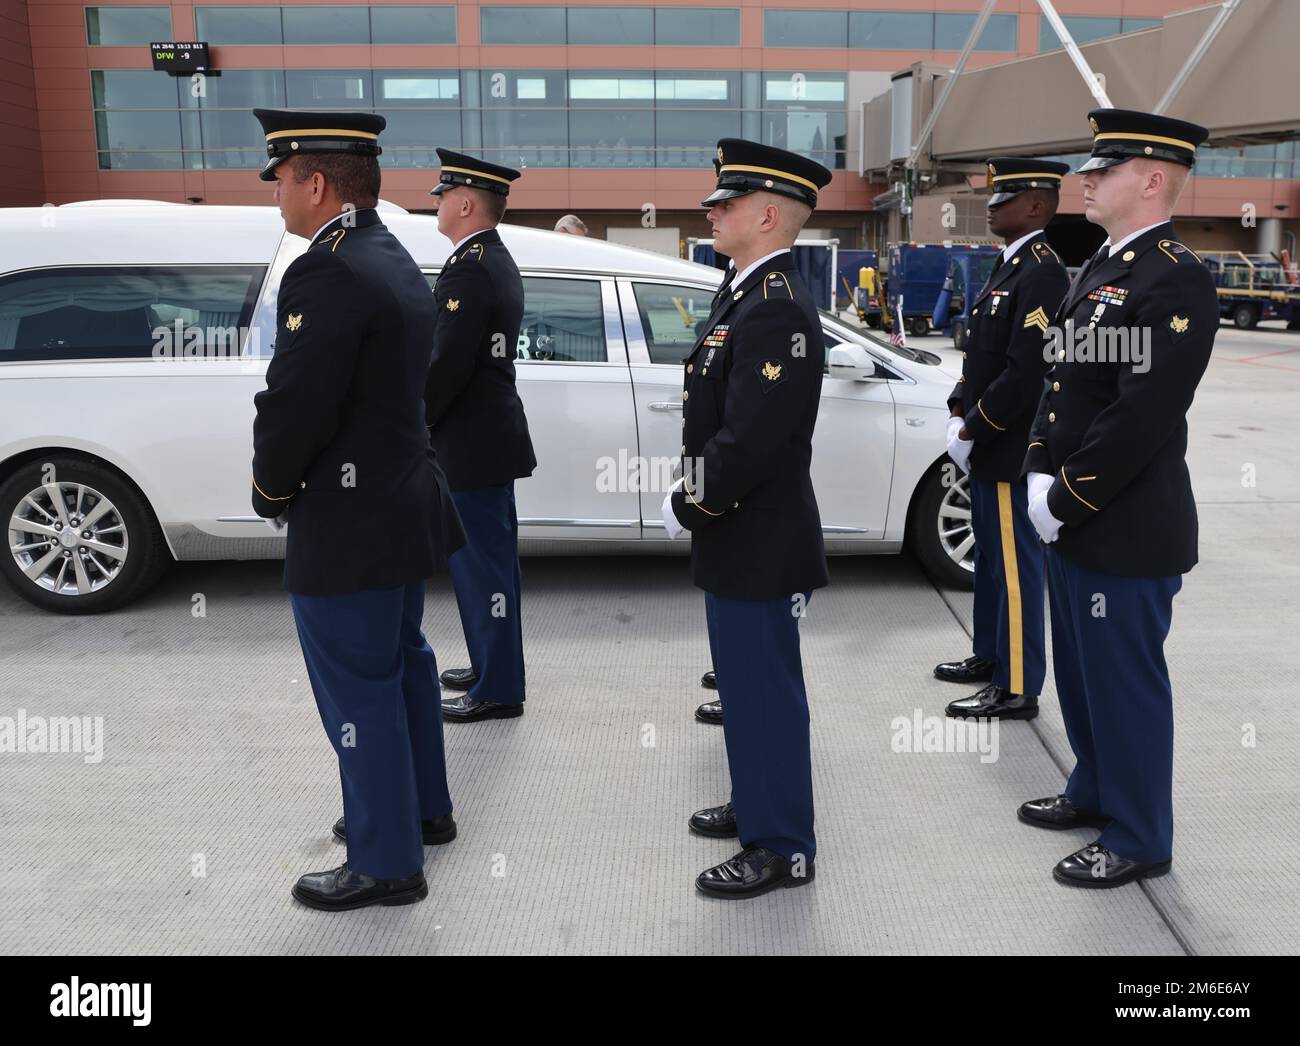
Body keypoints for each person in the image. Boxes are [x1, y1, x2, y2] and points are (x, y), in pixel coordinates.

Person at [249, 108, 464, 910]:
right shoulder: (388, 252)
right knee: (401, 666)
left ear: (315, 182)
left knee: (358, 691)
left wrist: (272, 489)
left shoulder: (326, 269)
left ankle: (386, 861)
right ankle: (422, 812)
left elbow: (296, 402)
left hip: (349, 519)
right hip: (402, 501)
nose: (276, 197)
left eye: (280, 180)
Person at [1019, 108, 1216, 888]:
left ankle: (1138, 835)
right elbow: (1060, 381)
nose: (1086, 181)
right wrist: (1037, 465)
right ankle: (1094, 789)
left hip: (1124, 525)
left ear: (1154, 179)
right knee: (1082, 671)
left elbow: (1142, 414)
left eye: (1104, 170)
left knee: (1125, 684)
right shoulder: (1103, 266)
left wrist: (1065, 496)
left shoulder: (1174, 278)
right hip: (1071, 519)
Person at [664, 138, 831, 899]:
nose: (712, 211)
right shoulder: (744, 292)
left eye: (725, 203)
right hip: (739, 530)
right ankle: (758, 802)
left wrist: (692, 500)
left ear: (767, 215)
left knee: (763, 691)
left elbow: (753, 438)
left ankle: (781, 846)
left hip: (756, 533)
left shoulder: (775, 308)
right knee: (744, 686)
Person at [937, 158, 1070, 721]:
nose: (991, 207)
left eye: (1004, 198)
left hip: (1009, 446)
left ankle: (1017, 686)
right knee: (992, 559)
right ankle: (989, 655)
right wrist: (959, 405)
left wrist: (976, 424)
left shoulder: (1042, 270)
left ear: (1036, 206)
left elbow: (1026, 370)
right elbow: (982, 354)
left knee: (1016, 570)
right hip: (988, 442)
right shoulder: (1007, 265)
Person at [425, 149, 538, 723]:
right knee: (486, 567)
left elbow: (446, 364)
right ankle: (490, 662)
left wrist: (413, 420)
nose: (435, 201)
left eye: (442, 193)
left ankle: (497, 689)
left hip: (470, 443)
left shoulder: (472, 267)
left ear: (466, 202)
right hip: (483, 440)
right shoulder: (487, 258)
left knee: (482, 568)